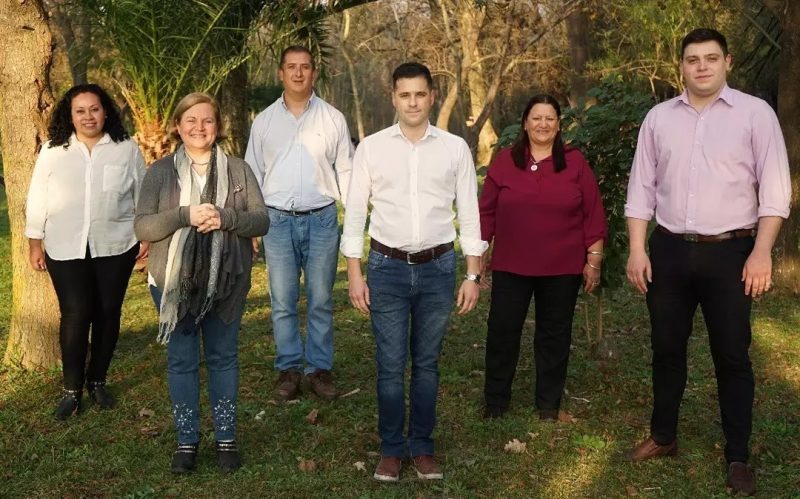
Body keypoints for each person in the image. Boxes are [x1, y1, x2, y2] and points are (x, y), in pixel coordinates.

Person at [625, 28, 791, 496]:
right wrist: (637, 249)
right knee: (666, 348)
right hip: (669, 250)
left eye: (711, 58)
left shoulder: (756, 115)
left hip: (731, 253)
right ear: (681, 65)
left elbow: (775, 190)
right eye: (693, 59)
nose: (701, 67)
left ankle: (738, 455)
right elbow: (641, 188)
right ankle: (664, 436)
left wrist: (761, 251)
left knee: (732, 354)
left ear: (727, 62)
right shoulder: (658, 119)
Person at [341, 62, 487, 482]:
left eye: (420, 94)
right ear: (393, 97)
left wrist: (472, 274)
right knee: (389, 365)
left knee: (426, 364)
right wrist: (354, 273)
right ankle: (391, 449)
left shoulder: (454, 148)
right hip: (386, 268)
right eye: (404, 95)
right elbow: (355, 213)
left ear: (432, 96)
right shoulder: (371, 148)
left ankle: (422, 446)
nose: (413, 102)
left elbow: (469, 213)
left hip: (438, 269)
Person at [135, 93, 268, 473]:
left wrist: (226, 218)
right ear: (178, 126)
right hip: (172, 283)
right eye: (190, 120)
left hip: (227, 284)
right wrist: (184, 215)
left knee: (223, 357)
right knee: (182, 359)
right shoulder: (160, 172)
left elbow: (261, 220)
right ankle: (186, 441)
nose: (199, 127)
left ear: (217, 126)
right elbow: (143, 226)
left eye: (207, 120)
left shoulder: (239, 170)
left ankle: (226, 439)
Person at [479, 94, 607, 421]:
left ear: (559, 125)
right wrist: (479, 254)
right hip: (511, 264)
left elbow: (593, 213)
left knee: (554, 335)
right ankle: (496, 401)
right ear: (525, 123)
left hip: (562, 267)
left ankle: (548, 403)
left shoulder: (575, 163)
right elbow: (486, 212)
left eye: (550, 118)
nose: (543, 124)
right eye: (536, 118)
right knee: (503, 331)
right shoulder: (505, 162)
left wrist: (594, 259)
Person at [25, 83, 147, 421]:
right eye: (80, 111)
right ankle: (71, 390)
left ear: (105, 112)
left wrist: (146, 234)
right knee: (75, 314)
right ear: (71, 115)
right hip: (65, 245)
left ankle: (97, 381)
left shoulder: (126, 148)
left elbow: (142, 193)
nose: (88, 116)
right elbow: (38, 197)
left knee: (108, 312)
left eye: (94, 109)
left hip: (116, 244)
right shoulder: (53, 151)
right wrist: (34, 241)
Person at [245, 45, 353, 401]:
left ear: (313, 73)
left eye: (305, 67)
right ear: (281, 73)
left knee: (321, 299)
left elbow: (346, 169)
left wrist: (353, 217)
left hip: (322, 219)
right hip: (276, 221)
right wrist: (254, 224)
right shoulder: (264, 121)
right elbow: (253, 175)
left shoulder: (332, 118)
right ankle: (289, 370)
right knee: (282, 300)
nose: (298, 73)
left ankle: (319, 370)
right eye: (291, 66)